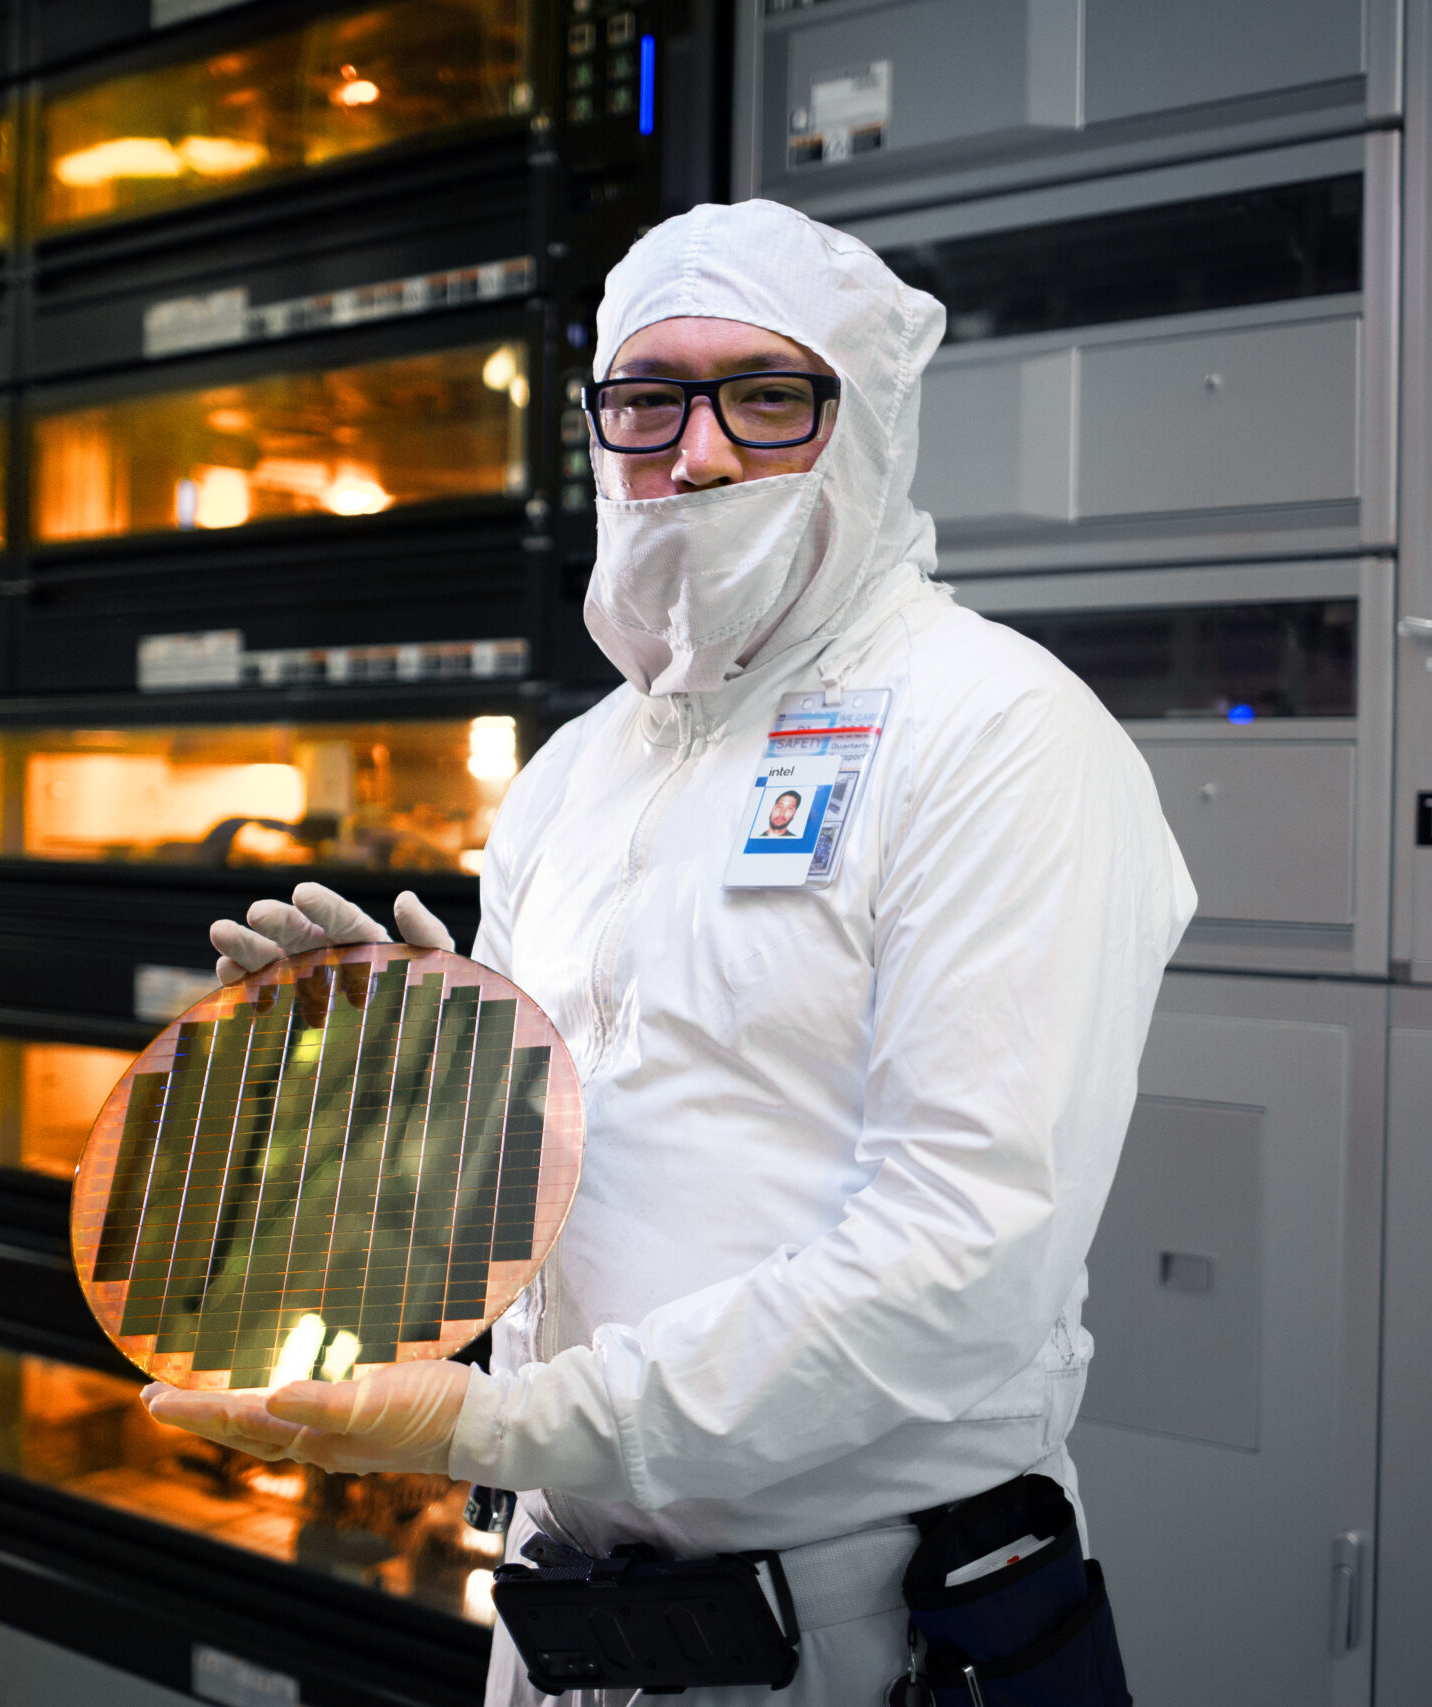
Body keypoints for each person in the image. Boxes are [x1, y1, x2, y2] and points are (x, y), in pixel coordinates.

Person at [147, 198, 1196, 1703]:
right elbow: (536, 1201)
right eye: (647, 401)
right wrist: (385, 1087)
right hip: (563, 1619)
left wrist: (499, 1428)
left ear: (868, 427)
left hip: (874, 1634)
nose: (696, 454)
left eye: (769, 399)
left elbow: (963, 1260)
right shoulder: (578, 772)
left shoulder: (997, 732)